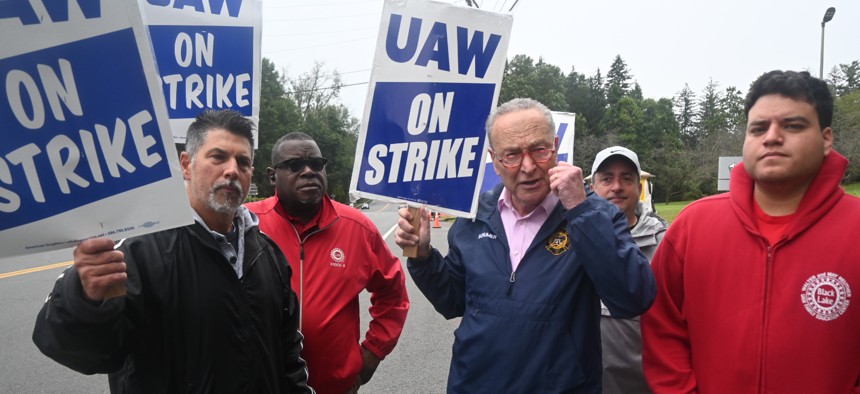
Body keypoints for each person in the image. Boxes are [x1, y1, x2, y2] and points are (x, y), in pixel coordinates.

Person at [32, 110, 313, 393]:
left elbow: (288, 354)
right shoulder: (140, 251)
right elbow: (93, 351)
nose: (232, 170)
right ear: (187, 165)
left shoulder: (268, 254)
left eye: (243, 162)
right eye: (218, 157)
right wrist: (85, 298)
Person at [394, 98, 656, 393]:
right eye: (512, 155)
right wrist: (424, 256)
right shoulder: (475, 214)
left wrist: (579, 210)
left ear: (555, 146)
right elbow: (452, 300)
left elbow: (633, 296)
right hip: (475, 383)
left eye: (539, 150)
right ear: (494, 159)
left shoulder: (594, 213)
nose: (528, 166)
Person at [641, 70, 860, 393]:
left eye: (793, 125)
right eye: (758, 128)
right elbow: (662, 329)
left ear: (826, 138)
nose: (771, 137)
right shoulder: (693, 225)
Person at [245, 132, 409, 394]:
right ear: (272, 176)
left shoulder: (357, 227)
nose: (309, 171)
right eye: (295, 165)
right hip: (264, 384)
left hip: (335, 385)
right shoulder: (247, 224)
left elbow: (393, 294)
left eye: (317, 164)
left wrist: (373, 351)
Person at [590, 146, 668, 394]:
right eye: (607, 179)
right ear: (593, 187)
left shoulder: (665, 243)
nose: (617, 187)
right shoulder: (570, 240)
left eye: (626, 178)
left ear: (638, 187)